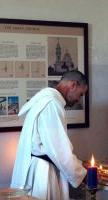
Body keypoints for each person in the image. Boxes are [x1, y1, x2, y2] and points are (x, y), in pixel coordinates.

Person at [11, 70, 88, 200]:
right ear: (73, 85)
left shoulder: (44, 100)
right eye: (80, 94)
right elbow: (60, 151)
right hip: (44, 173)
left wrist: (80, 165)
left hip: (38, 166)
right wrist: (82, 174)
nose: (78, 99)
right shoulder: (52, 105)